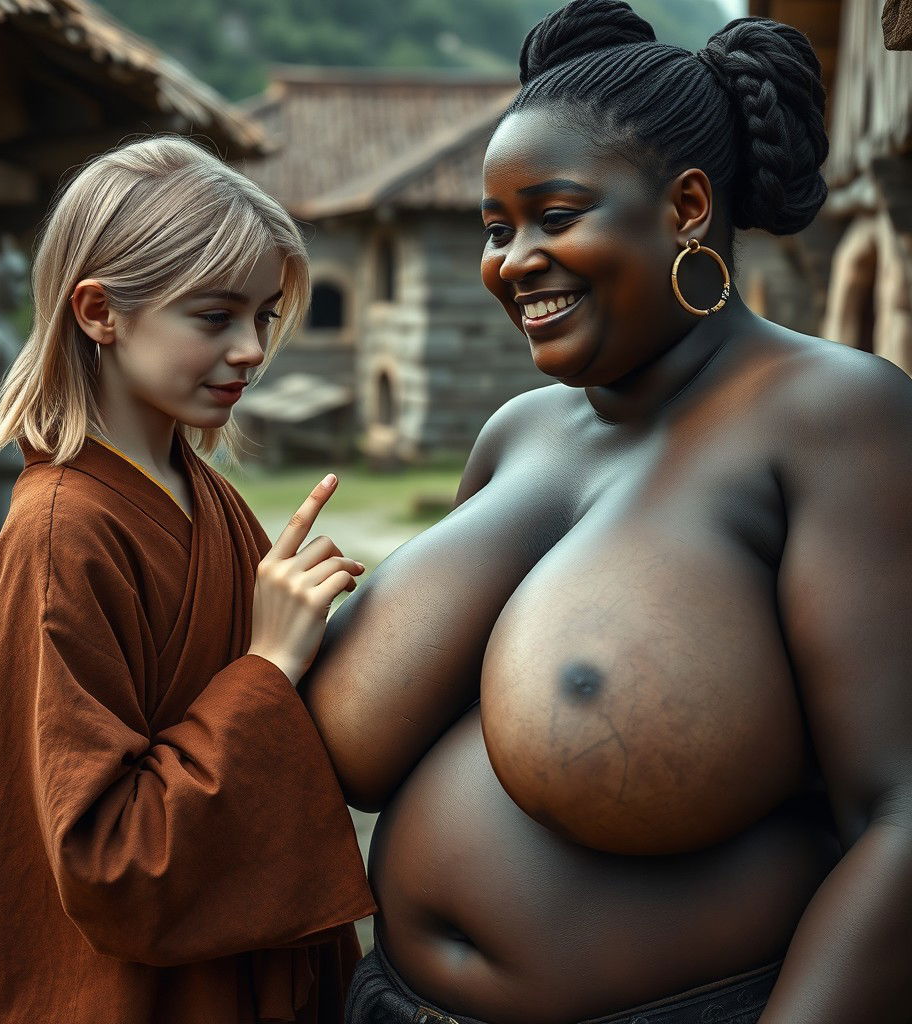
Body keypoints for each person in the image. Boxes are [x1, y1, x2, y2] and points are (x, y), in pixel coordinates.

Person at [301, 3, 912, 1022]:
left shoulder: (834, 419)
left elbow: (900, 814)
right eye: (497, 228)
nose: (512, 261)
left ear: (685, 208)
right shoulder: (518, 431)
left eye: (556, 214)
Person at [0, 136, 376, 1024]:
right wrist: (267, 667)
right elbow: (110, 858)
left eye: (264, 316)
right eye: (215, 317)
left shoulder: (204, 496)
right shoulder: (60, 538)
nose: (251, 349)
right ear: (100, 311)